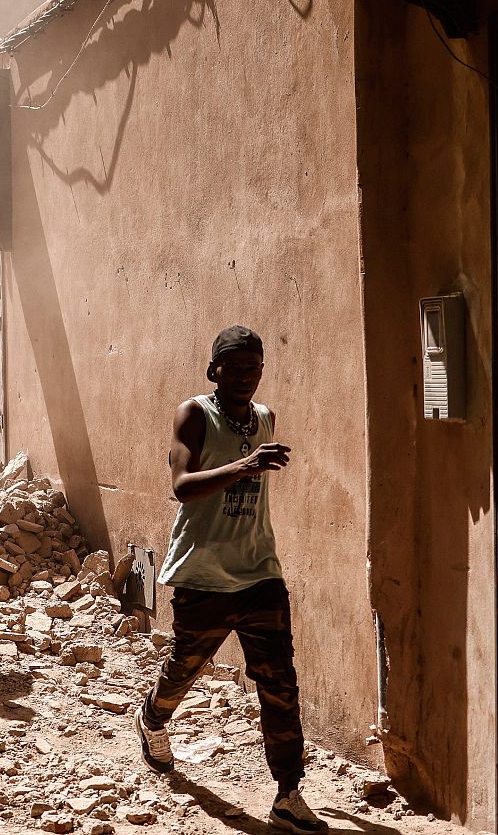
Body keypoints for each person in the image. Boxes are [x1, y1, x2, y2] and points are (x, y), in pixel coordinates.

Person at [133, 326, 328, 834]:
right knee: (186, 667)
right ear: (213, 370)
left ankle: (288, 795)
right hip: (203, 573)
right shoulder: (194, 414)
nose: (246, 377)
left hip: (260, 572)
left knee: (280, 682)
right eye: (235, 367)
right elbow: (181, 486)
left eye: (254, 368)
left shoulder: (265, 418)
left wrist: (249, 464)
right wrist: (245, 465)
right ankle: (153, 718)